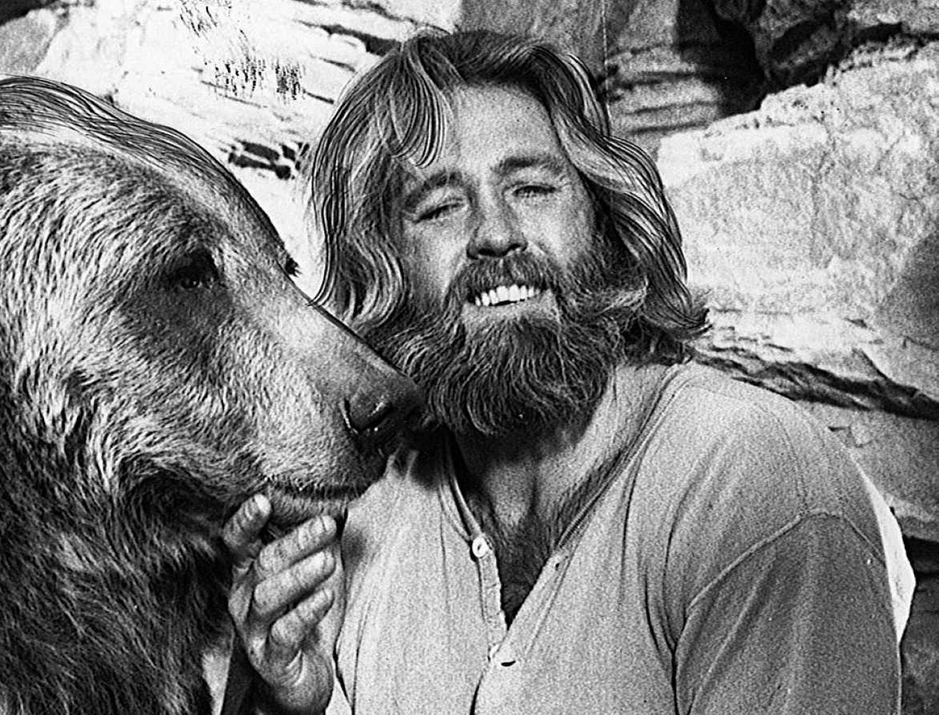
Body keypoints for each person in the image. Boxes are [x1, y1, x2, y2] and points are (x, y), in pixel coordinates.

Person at [223, 29, 914, 714]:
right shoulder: (369, 513)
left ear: (604, 220)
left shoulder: (752, 483)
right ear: (382, 264)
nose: (496, 233)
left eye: (531, 188)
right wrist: (292, 703)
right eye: (440, 206)